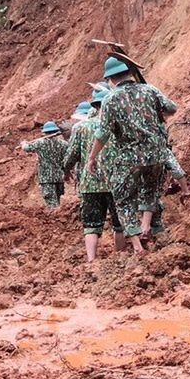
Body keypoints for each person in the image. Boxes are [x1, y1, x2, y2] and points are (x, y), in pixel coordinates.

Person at [86, 56, 185, 254]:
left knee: (123, 200)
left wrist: (92, 157)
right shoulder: (150, 90)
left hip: (130, 158)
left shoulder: (110, 99)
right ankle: (146, 227)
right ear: (131, 72)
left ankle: (138, 246)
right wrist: (155, 115)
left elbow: (103, 133)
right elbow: (172, 108)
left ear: (111, 79)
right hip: (157, 153)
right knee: (150, 191)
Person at [64, 87, 124, 260]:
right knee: (119, 223)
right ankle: (120, 257)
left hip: (90, 183)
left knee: (91, 225)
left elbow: (71, 154)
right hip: (116, 181)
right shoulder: (118, 123)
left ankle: (91, 260)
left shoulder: (80, 127)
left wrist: (66, 170)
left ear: (94, 105)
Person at [21, 121, 69, 209]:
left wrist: (24, 143)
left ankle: (55, 220)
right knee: (57, 201)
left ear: (44, 132)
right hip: (59, 177)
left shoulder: (40, 143)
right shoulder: (63, 144)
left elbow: (26, 148)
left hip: (46, 179)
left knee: (52, 205)